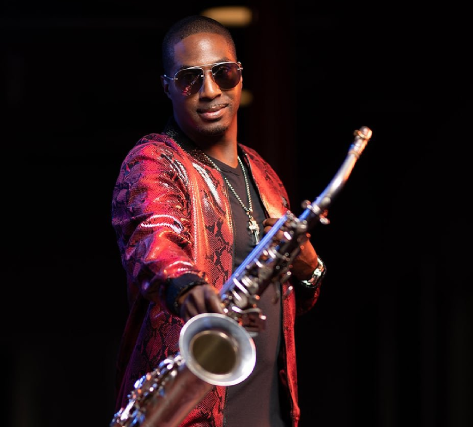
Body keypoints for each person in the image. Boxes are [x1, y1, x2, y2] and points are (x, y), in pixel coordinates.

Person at [110, 14, 327, 427]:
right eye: (189, 79)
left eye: (223, 73)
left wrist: (311, 269)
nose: (210, 91)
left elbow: (291, 301)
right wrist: (189, 288)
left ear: (240, 76)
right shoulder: (153, 161)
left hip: (271, 413)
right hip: (190, 416)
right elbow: (153, 242)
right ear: (167, 87)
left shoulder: (264, 174)